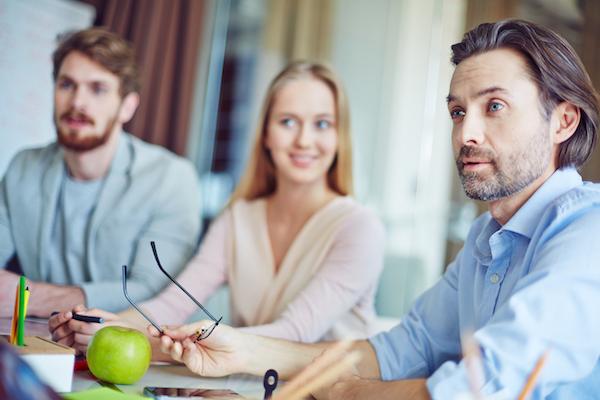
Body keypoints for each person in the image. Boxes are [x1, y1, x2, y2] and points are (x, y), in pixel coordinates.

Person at [151, 19, 600, 400]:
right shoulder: (486, 239)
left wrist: (340, 391)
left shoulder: (588, 228)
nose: (467, 134)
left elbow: (480, 385)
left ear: (563, 120)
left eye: (495, 106)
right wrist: (246, 352)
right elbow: (403, 349)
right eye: (458, 112)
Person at [49, 61, 385, 355]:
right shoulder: (237, 218)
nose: (304, 140)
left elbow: (294, 334)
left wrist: (169, 341)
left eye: (322, 124)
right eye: (288, 122)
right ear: (265, 134)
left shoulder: (358, 229)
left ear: (340, 137)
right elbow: (174, 303)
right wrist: (107, 326)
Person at [0, 28, 201, 317]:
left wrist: (33, 298)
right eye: (67, 85)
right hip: (37, 344)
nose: (78, 102)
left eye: (98, 89)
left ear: (127, 106)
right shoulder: (24, 167)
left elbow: (157, 292)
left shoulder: (171, 179)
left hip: (125, 355)